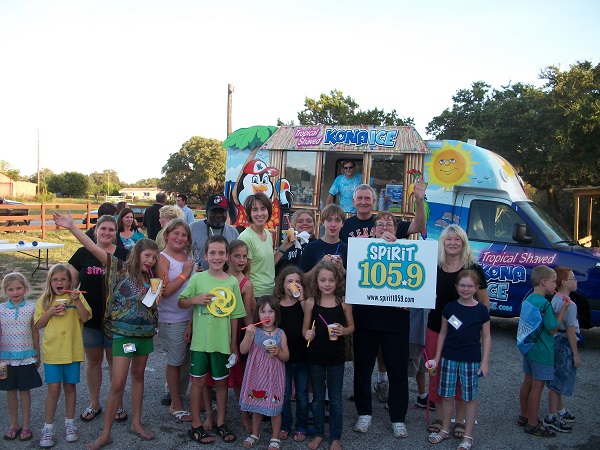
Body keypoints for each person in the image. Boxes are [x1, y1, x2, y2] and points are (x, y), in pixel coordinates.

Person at [54, 211, 161, 449]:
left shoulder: (153, 278)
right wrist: (72, 227)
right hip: (123, 335)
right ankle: (105, 433)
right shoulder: (120, 268)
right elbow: (92, 249)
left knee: (139, 376)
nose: (150, 261)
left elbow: (152, 306)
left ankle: (136, 422)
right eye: (147, 256)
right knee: (117, 382)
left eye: (154, 258)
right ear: (136, 254)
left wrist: (157, 296)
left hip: (144, 335)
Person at [351, 188, 426, 439]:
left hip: (396, 320)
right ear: (373, 228)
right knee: (362, 368)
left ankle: (398, 417)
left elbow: (418, 285)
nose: (385, 226)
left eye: (389, 223)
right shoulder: (361, 247)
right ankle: (364, 413)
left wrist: (418, 198)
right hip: (365, 318)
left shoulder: (406, 249)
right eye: (380, 223)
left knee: (397, 370)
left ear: (396, 228)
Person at [178, 235, 247, 444]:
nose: (216, 257)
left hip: (221, 343)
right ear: (206, 256)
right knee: (198, 382)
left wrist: (234, 344)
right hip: (200, 342)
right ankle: (196, 425)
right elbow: (182, 302)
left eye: (220, 253)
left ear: (227, 256)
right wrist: (194, 300)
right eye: (212, 253)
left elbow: (236, 316)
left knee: (222, 384)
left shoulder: (233, 282)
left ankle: (221, 422)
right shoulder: (198, 279)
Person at [425, 225, 489, 439]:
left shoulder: (474, 269)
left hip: (465, 334)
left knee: (462, 378)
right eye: (448, 239)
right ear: (442, 243)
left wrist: (480, 332)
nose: (452, 243)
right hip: (436, 328)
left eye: (457, 239)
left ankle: (459, 420)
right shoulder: (434, 266)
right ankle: (441, 417)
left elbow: (484, 304)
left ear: (463, 242)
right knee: (436, 374)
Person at [68, 214, 129, 424]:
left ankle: (118, 404)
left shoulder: (123, 254)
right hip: (90, 319)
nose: (107, 233)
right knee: (93, 362)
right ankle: (95, 403)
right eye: (103, 229)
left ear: (116, 233)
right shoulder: (81, 254)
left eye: (111, 230)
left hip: (116, 319)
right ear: (96, 230)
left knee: (115, 363)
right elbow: (70, 284)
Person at [429, 269, 491, 450]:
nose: (466, 289)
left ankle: (468, 435)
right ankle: (445, 429)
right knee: (447, 396)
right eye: (462, 285)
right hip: (449, 359)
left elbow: (486, 337)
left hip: (471, 361)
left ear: (476, 287)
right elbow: (442, 333)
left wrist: (485, 363)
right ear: (456, 287)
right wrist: (437, 357)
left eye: (470, 286)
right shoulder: (449, 308)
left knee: (469, 398)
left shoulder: (481, 310)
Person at [34, 264, 92, 448]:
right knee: (53, 390)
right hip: (52, 353)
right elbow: (37, 325)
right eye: (55, 279)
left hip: (72, 352)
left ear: (70, 281)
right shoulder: (45, 300)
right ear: (50, 282)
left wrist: (76, 301)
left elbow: (85, 318)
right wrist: (50, 312)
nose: (59, 282)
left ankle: (70, 424)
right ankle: (48, 427)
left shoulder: (76, 297)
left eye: (63, 279)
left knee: (70, 388)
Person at [204, 239, 256, 433]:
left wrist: (248, 338)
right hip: (215, 329)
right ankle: (212, 414)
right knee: (212, 372)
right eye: (237, 256)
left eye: (244, 256)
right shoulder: (216, 277)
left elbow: (249, 314)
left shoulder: (245, 283)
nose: (241, 260)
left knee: (237, 376)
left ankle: (243, 414)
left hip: (236, 330)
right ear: (228, 257)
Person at [302, 260, 354, 450]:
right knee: (316, 399)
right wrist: (308, 334)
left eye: (331, 280)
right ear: (316, 281)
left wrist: (343, 331)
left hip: (336, 358)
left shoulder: (344, 303)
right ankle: (318, 434)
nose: (327, 284)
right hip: (315, 356)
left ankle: (335, 437)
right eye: (323, 280)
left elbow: (352, 327)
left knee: (335, 400)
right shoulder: (310, 302)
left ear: (337, 282)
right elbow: (304, 330)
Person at [518, 265, 570, 438]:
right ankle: (533, 423)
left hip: (530, 348)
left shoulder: (529, 299)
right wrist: (563, 310)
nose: (555, 285)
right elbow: (553, 328)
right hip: (543, 351)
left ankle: (524, 415)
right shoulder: (545, 304)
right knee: (537, 387)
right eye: (554, 281)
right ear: (544, 282)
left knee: (527, 382)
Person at [156, 219, 195, 423]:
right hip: (171, 319)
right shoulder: (162, 258)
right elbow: (165, 292)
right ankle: (175, 404)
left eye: (184, 234)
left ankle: (180, 397)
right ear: (166, 235)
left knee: (187, 362)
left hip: (190, 318)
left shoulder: (188, 257)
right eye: (176, 233)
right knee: (175, 361)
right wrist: (185, 273)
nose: (180, 237)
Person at [240, 295, 290, 450]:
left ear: (276, 314)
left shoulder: (280, 333)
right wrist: (248, 335)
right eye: (263, 312)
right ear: (258, 315)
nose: (267, 315)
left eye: (271, 311)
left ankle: (275, 437)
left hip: (274, 376)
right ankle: (255, 433)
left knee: (274, 406)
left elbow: (286, 357)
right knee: (256, 405)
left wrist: (278, 352)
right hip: (257, 375)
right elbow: (243, 350)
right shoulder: (254, 331)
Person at [0, 272, 42, 443]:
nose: (15, 292)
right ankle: (13, 424)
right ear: (5, 291)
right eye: (10, 289)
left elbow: (34, 331)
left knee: (25, 391)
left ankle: (26, 425)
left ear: (25, 288)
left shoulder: (32, 307)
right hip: (6, 357)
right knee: (10, 391)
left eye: (18, 288)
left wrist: (37, 351)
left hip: (26, 355)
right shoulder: (1, 309)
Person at [274, 266, 312, 442]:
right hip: (284, 356)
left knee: (303, 394)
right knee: (284, 392)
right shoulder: (277, 304)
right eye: (290, 281)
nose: (294, 284)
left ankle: (302, 425)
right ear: (282, 284)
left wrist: (302, 297)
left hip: (302, 355)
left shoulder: (304, 302)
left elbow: (310, 316)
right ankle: (285, 424)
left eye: (297, 281)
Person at [543, 267, 580, 433]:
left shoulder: (556, 299)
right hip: (564, 343)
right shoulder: (570, 305)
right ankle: (551, 417)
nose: (576, 281)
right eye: (573, 278)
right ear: (564, 283)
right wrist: (576, 354)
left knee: (556, 377)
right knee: (557, 382)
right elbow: (571, 330)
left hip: (555, 340)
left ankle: (560, 409)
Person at [238, 193, 276, 297]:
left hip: (270, 292)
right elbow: (244, 273)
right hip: (255, 295)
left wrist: (284, 247)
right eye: (255, 210)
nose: (260, 213)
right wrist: (250, 300)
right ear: (249, 214)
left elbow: (268, 264)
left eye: (263, 209)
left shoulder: (268, 234)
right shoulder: (246, 238)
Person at [190, 193, 239, 271]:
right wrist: (192, 267)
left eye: (222, 211)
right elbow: (184, 254)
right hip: (199, 279)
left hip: (225, 280)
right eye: (214, 211)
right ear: (207, 212)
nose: (218, 215)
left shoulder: (233, 233)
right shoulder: (192, 228)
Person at [299, 204, 347, 280]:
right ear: (322, 222)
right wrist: (320, 265)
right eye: (329, 220)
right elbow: (302, 279)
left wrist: (341, 269)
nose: (333, 225)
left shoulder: (348, 250)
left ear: (343, 223)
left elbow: (354, 282)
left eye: (337, 220)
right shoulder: (311, 248)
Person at [274, 209, 317, 276]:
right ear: (294, 225)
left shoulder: (318, 244)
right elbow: (272, 269)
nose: (305, 223)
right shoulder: (287, 245)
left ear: (314, 225)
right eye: (300, 221)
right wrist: (283, 248)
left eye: (309, 221)